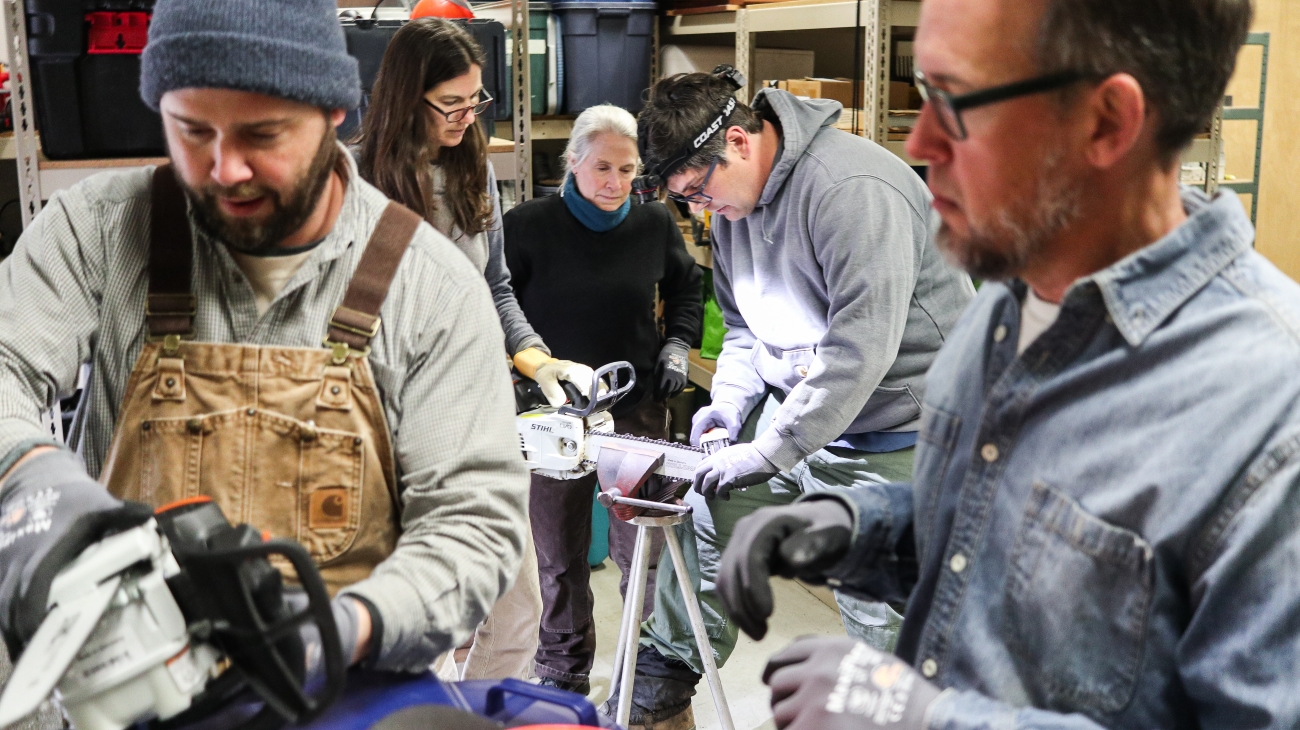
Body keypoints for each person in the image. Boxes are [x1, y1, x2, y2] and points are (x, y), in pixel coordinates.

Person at [715, 0, 1299, 727]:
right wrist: (861, 527)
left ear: (1106, 122)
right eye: (923, 95)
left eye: (957, 103)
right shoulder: (1007, 302)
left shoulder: (1270, 413)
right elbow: (1009, 541)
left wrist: (920, 715)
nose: (921, 142)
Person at [0, 0, 528, 720]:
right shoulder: (97, 230)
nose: (225, 168)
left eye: (262, 134)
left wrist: (342, 630)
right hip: (128, 696)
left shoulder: (432, 288)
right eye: (192, 131)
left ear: (335, 111)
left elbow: (472, 522)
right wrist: (39, 486)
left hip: (340, 697)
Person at [620, 65, 976, 726]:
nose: (699, 210)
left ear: (737, 141)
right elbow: (745, 332)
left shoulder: (851, 191)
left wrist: (770, 450)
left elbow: (857, 354)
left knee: (880, 611)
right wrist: (727, 407)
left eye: (698, 190)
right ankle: (659, 686)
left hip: (900, 425)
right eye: (685, 200)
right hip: (800, 411)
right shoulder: (734, 208)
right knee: (709, 511)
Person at [354, 16, 588, 682]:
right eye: (449, 103)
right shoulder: (351, 180)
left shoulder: (472, 173)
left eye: (475, 100)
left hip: (480, 417)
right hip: (391, 429)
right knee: (420, 623)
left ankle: (483, 713)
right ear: (407, 97)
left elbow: (496, 289)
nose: (465, 116)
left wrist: (539, 358)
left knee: (518, 608)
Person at [502, 104, 702, 697]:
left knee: (643, 550)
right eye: (602, 168)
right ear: (573, 163)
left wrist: (677, 346)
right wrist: (522, 372)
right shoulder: (526, 226)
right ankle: (562, 672)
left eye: (627, 169)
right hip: (554, 417)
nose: (616, 183)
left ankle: (647, 672)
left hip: (635, 407)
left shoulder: (654, 224)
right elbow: (499, 306)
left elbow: (687, 289)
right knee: (559, 554)